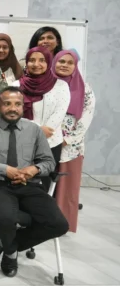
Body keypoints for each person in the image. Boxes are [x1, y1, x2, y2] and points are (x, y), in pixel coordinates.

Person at [0, 87, 68, 278]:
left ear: (22, 106)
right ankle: (10, 254)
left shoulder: (33, 129)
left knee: (59, 224)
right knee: (6, 219)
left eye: (17, 104)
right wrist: (3, 169)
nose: (13, 108)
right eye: (7, 104)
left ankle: (3, 244)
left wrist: (34, 169)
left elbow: (48, 162)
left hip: (29, 185)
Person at [53, 50, 94, 232]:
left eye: (70, 63)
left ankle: (63, 225)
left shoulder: (85, 88)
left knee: (67, 187)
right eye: (61, 61)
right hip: (47, 141)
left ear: (75, 65)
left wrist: (68, 139)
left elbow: (87, 116)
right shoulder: (47, 84)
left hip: (71, 146)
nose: (65, 65)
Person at [13, 48, 70, 164]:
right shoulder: (15, 86)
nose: (36, 64)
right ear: (26, 62)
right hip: (21, 139)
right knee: (21, 173)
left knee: (46, 174)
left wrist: (45, 131)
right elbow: (12, 113)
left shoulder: (61, 85)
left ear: (48, 62)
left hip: (51, 141)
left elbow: (60, 111)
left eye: (42, 60)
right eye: (32, 60)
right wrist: (37, 130)